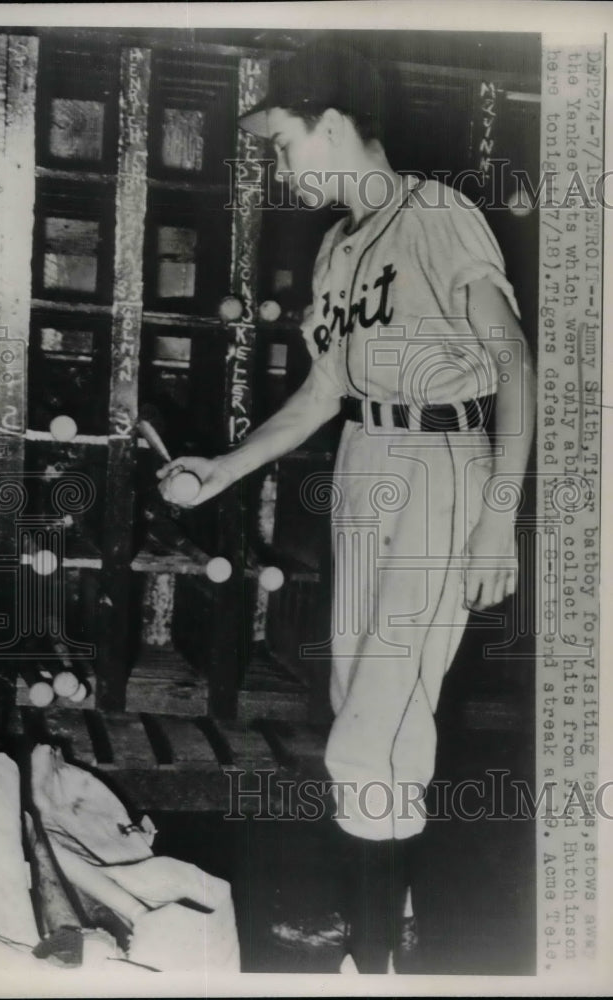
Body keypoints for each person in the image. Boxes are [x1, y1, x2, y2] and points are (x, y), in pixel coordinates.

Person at [158, 39, 536, 974]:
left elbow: (517, 368)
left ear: (330, 124)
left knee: (376, 724)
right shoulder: (336, 248)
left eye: (284, 142)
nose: (281, 166)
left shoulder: (435, 215)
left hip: (442, 456)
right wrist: (223, 468)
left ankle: (369, 957)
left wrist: (497, 517)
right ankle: (385, 930)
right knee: (362, 712)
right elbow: (321, 394)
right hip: (368, 455)